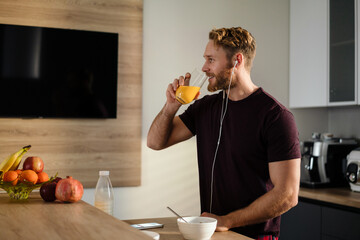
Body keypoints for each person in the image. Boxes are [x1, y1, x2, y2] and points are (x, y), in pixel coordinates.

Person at [147, 27, 301, 240]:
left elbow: (288, 195)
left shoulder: (275, 116)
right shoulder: (205, 107)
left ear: (237, 60)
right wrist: (170, 107)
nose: (204, 67)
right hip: (214, 234)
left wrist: (227, 221)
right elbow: (154, 142)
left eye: (211, 60)